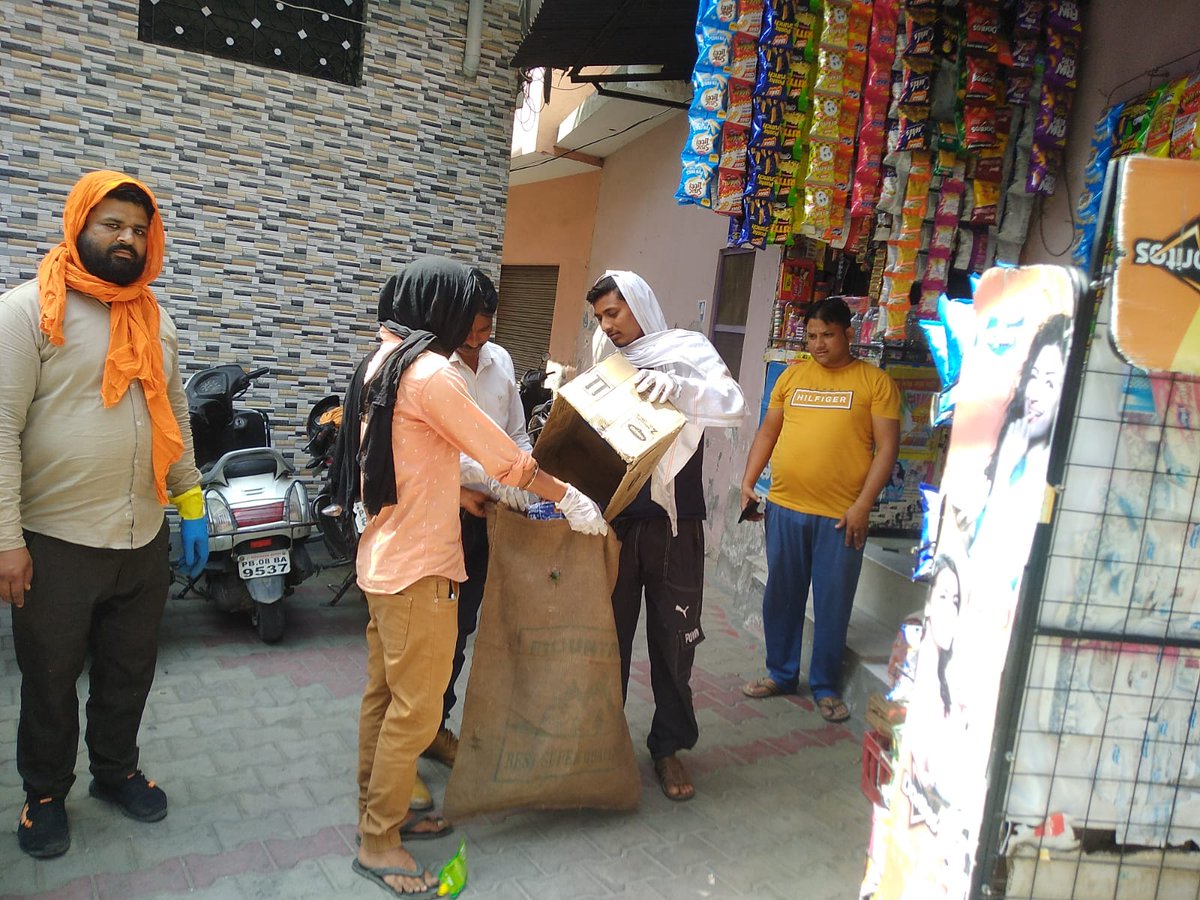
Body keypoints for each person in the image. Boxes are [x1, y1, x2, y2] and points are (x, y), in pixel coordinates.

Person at [333, 256, 605, 895]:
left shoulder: (381, 360)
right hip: (421, 566)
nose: (471, 328)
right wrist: (568, 498)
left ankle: (380, 812)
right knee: (417, 709)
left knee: (384, 696)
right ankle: (379, 842)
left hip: (383, 558)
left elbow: (401, 459)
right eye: (463, 312)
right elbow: (506, 459)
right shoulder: (430, 373)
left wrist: (458, 488)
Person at [0, 171, 209, 859]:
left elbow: (175, 417)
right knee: (51, 679)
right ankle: (44, 794)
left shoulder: (156, 318)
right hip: (55, 540)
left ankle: (115, 771)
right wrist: (5, 539)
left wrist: (191, 502)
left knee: (129, 670)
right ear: (79, 225)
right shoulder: (28, 312)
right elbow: (0, 428)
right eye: (112, 224)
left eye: (139, 230)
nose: (127, 239)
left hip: (143, 536)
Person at [586, 271, 745, 802]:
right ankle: (603, 744)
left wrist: (681, 389)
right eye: (600, 318)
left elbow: (732, 403)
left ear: (639, 305)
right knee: (609, 639)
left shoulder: (686, 351)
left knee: (674, 639)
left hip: (676, 524)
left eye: (614, 313)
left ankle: (668, 746)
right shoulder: (607, 361)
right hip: (618, 522)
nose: (607, 326)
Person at [740, 296, 900, 723]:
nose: (818, 344)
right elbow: (768, 432)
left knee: (832, 603)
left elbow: (887, 450)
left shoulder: (875, 383)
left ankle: (826, 686)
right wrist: (748, 482)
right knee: (782, 595)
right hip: (785, 506)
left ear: (848, 333)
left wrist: (863, 506)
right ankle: (781, 673)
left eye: (827, 335)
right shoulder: (792, 377)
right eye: (811, 336)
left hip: (841, 516)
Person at [422, 281, 533, 769]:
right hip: (440, 515)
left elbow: (516, 435)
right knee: (431, 632)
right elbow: (429, 451)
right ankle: (409, 734)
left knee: (462, 626)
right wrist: (485, 482)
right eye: (467, 330)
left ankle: (435, 726)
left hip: (486, 517)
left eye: (484, 330)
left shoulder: (501, 362)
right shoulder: (430, 369)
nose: (475, 340)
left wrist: (525, 474)